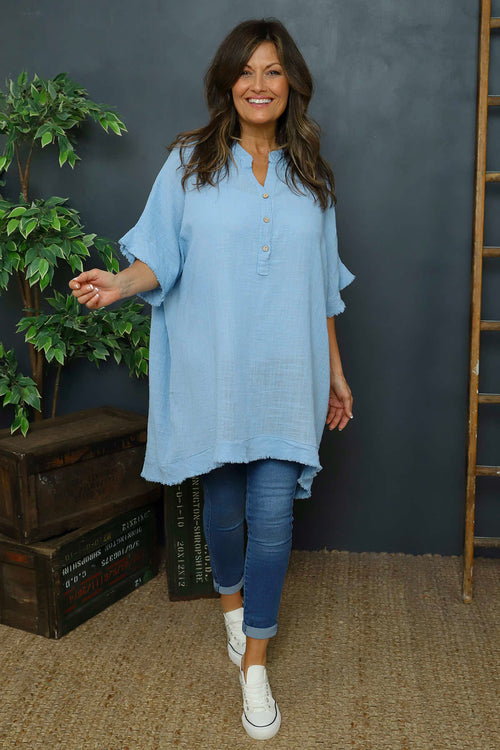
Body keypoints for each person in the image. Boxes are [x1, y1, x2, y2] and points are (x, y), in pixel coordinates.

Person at [69, 18, 354, 741]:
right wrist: (119, 285)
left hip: (289, 376)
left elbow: (322, 289)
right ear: (228, 82)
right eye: (246, 71)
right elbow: (160, 258)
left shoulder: (313, 178)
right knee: (222, 512)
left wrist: (336, 374)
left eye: (273, 71)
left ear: (291, 84)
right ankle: (230, 604)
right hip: (215, 374)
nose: (259, 85)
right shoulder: (189, 163)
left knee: (274, 517)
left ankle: (255, 663)